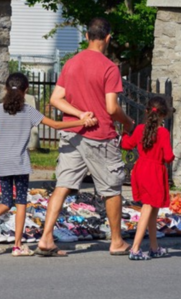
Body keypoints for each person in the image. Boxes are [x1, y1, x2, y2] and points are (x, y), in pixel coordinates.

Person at [35, 17, 134, 257]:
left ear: (87, 36)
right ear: (108, 38)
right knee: (111, 188)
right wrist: (128, 122)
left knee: (63, 185)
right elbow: (111, 108)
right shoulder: (109, 67)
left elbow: (56, 99)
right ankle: (117, 241)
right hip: (100, 136)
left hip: (72, 133)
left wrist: (79, 114)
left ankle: (46, 237)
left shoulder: (71, 63)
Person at [0, 72, 96, 256]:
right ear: (26, 90)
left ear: (6, 88)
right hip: (20, 164)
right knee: (21, 202)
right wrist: (81, 122)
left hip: (3, 163)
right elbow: (54, 125)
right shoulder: (28, 111)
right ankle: (17, 246)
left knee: (5, 201)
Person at [120, 96, 174, 260]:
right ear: (164, 115)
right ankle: (135, 248)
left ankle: (154, 246)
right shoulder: (163, 132)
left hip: (141, 168)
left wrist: (123, 132)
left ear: (146, 111)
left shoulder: (140, 129)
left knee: (152, 209)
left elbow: (126, 144)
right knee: (148, 207)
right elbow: (168, 156)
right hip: (155, 172)